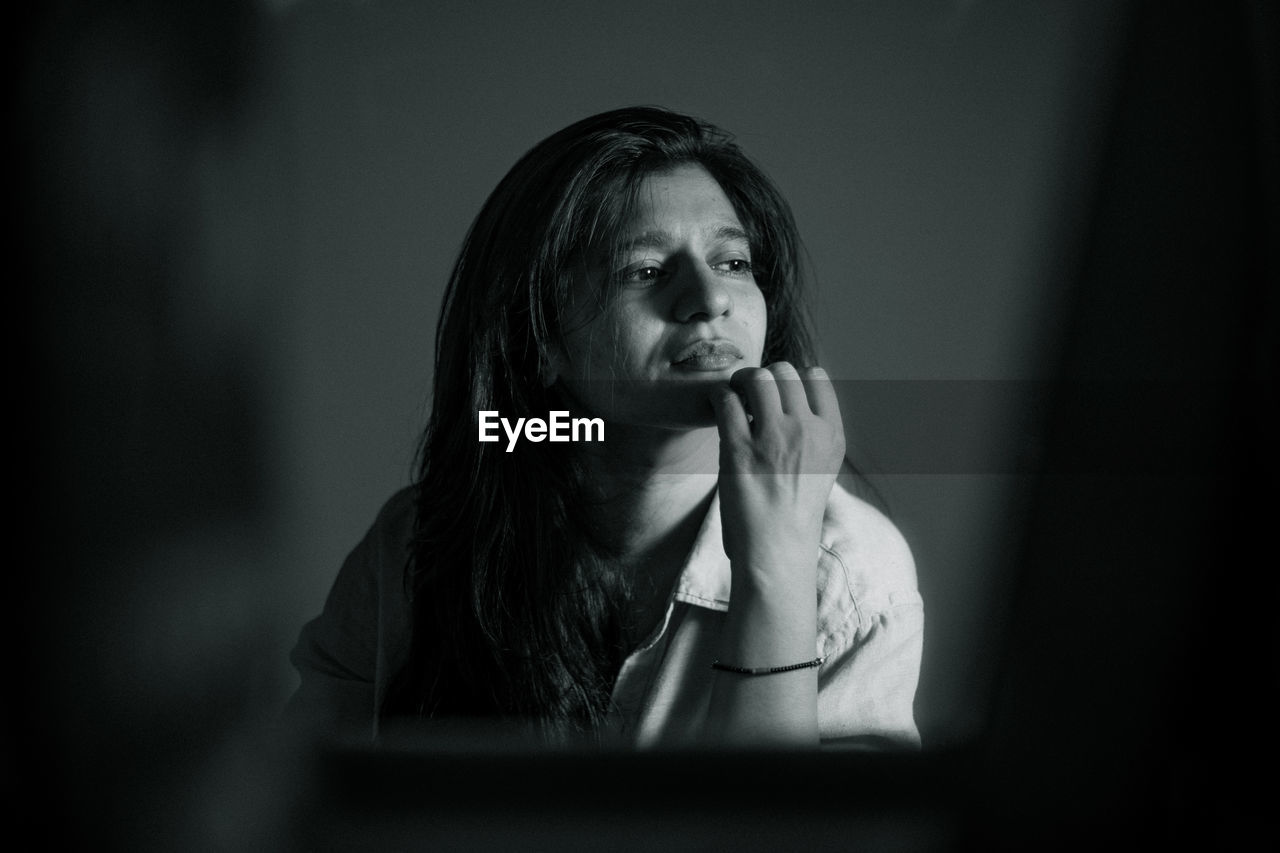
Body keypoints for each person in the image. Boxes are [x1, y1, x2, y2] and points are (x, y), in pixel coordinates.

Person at [285, 106, 923, 750]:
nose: (710, 298)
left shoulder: (852, 576)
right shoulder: (417, 546)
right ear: (538, 341)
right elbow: (303, 798)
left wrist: (778, 568)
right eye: (645, 272)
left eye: (732, 262)